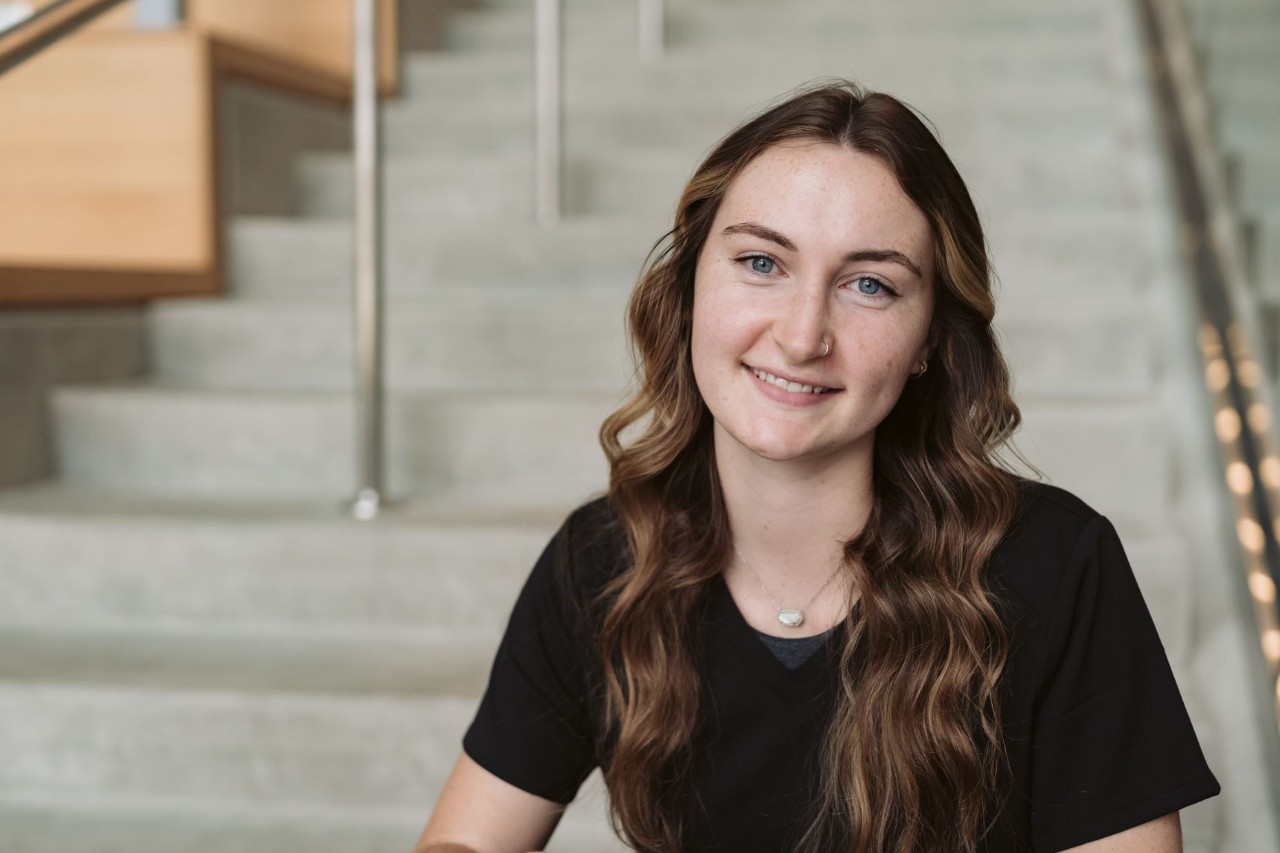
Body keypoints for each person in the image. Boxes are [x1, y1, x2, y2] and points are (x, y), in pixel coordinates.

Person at [417, 80, 1220, 853]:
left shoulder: (1056, 564)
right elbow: (461, 835)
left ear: (930, 342)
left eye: (870, 284)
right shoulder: (603, 561)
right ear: (691, 286)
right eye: (762, 263)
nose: (803, 335)